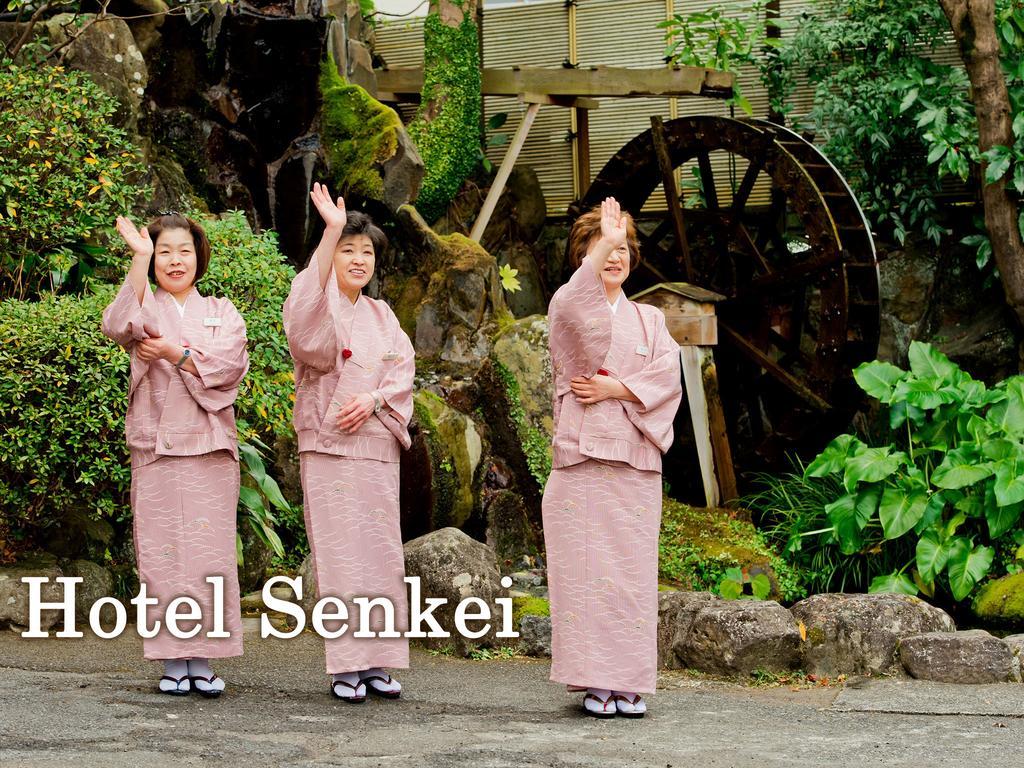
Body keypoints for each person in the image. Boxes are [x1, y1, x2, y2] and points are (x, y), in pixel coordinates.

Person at [543, 197, 683, 719]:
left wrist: (616, 388)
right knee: (584, 571)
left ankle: (627, 681)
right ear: (584, 252)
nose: (615, 256)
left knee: (630, 573)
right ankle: (594, 680)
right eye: (603, 245)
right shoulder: (571, 306)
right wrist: (604, 234)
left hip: (634, 463)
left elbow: (668, 379)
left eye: (623, 247)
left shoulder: (650, 319)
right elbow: (571, 313)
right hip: (581, 461)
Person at [101, 212, 249, 697]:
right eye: (164, 251)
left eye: (183, 250)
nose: (175, 260)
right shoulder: (145, 302)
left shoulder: (222, 311)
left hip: (209, 444)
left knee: (208, 554)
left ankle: (201, 659)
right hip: (156, 445)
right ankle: (171, 658)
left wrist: (173, 352)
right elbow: (117, 323)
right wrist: (138, 261)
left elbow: (230, 366)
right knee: (163, 553)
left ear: (199, 256)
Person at [282, 183, 415, 703]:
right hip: (330, 441)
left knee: (381, 552)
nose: (359, 260)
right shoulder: (320, 301)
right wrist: (330, 230)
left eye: (367, 252)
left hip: (376, 446)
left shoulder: (385, 316)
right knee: (341, 554)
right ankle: (347, 664)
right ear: (331, 254)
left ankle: (379, 659)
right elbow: (304, 328)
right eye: (348, 249)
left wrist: (378, 401)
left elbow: (403, 372)